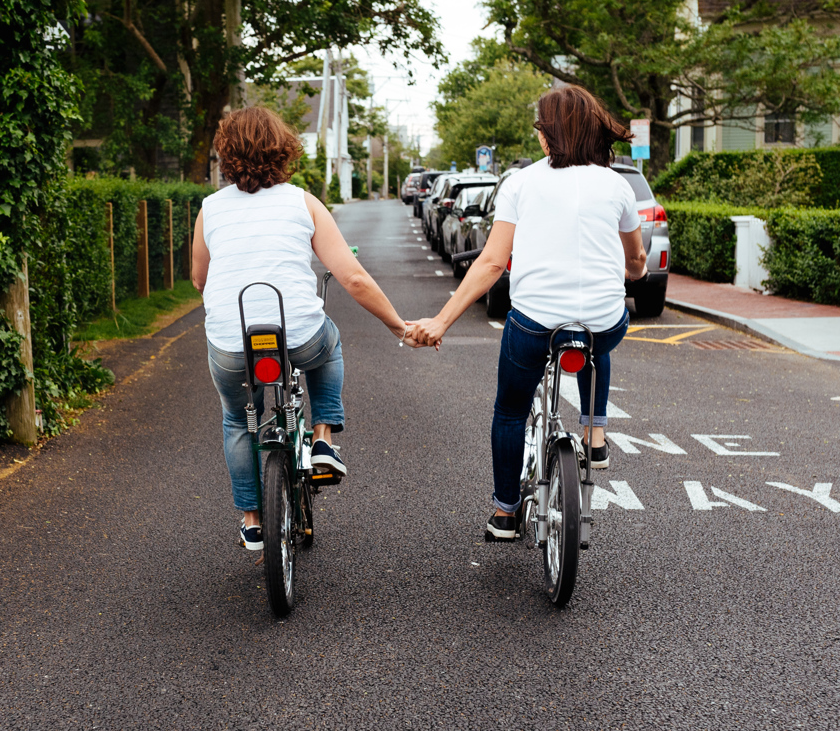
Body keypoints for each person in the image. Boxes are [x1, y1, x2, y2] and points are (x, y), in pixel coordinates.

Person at [409, 86, 648, 542]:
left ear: (549, 136)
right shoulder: (618, 184)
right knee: (597, 336)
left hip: (534, 324)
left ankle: (504, 512)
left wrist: (442, 321)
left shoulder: (521, 182)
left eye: (540, 127)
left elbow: (493, 262)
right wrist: (630, 273)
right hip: (602, 323)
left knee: (510, 411)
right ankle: (595, 436)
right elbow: (636, 259)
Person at [191, 106, 416, 551]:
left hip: (231, 341)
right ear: (283, 149)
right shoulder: (302, 201)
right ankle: (322, 438)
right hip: (299, 335)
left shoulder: (210, 209)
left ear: (225, 154)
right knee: (328, 344)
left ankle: (253, 520)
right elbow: (352, 278)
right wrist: (398, 326)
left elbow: (199, 278)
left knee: (239, 419)